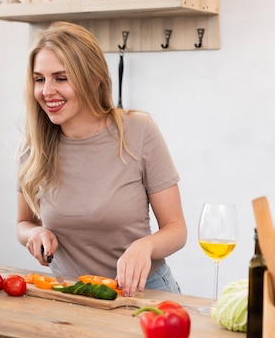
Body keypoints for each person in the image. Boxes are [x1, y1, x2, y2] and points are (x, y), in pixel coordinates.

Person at [16, 22, 187, 298]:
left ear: (94, 78)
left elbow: (177, 229)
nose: (47, 91)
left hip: (142, 293)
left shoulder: (139, 132)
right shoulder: (34, 147)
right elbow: (23, 224)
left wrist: (145, 246)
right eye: (39, 79)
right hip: (72, 295)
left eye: (61, 78)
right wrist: (33, 235)